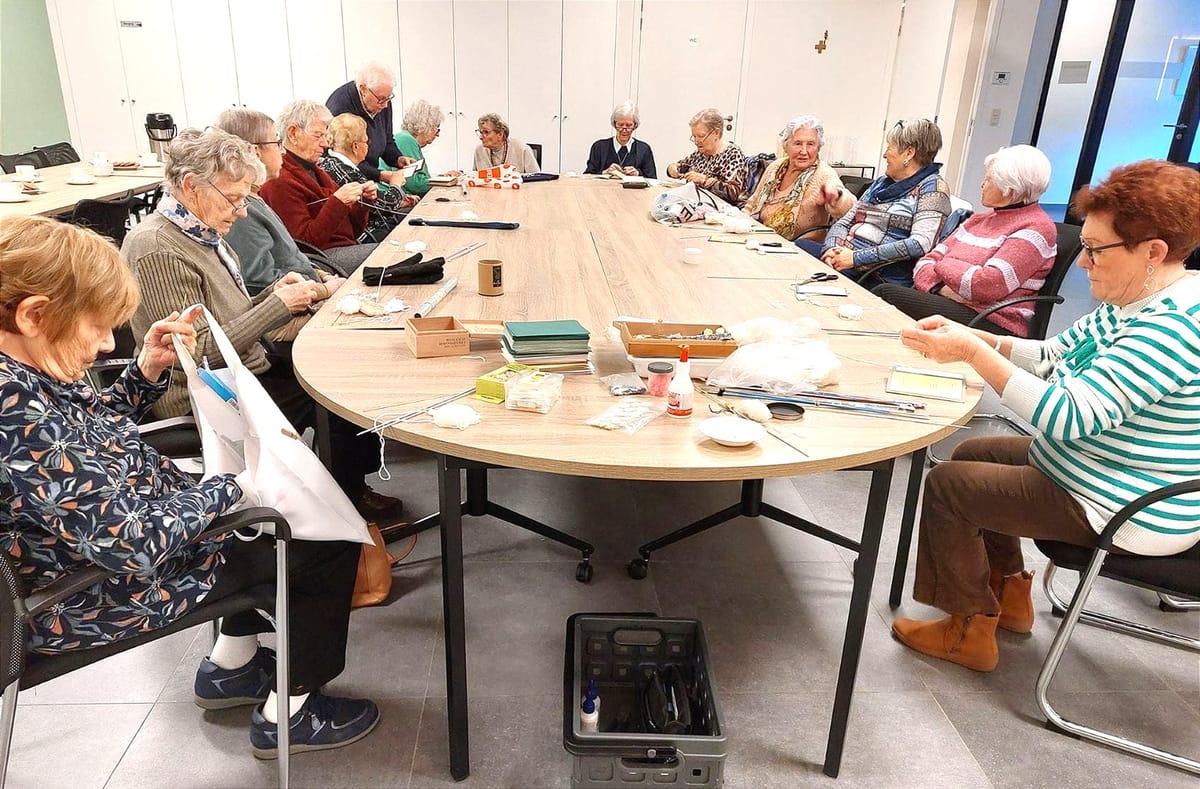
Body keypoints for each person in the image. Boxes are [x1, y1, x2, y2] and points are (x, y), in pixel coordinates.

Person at [0, 215, 380, 758]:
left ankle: (233, 665)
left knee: (262, 521)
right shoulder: (15, 411)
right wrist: (232, 486)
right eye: (97, 329)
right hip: (90, 594)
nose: (108, 346)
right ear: (34, 313)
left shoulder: (22, 375)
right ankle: (291, 713)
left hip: (106, 553)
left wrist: (145, 372)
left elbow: (83, 438)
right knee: (322, 543)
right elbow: (131, 546)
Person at [892, 160, 1200, 673]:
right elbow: (1055, 354)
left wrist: (973, 354)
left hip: (1129, 503)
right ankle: (1009, 596)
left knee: (951, 485)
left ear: (1154, 252)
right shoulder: (1137, 298)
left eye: (1097, 250)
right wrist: (980, 336)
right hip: (1099, 468)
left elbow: (1066, 416)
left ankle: (967, 629)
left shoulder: (1170, 329)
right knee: (974, 451)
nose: (1083, 262)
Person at [121, 127, 402, 525]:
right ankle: (339, 519)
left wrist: (272, 292)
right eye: (233, 199)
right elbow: (191, 355)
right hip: (206, 397)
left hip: (243, 370)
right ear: (190, 186)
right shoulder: (158, 248)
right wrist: (274, 307)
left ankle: (345, 498)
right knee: (337, 395)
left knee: (343, 375)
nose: (240, 211)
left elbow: (221, 317)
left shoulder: (200, 231)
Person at [874, 145, 1057, 337]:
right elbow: (925, 264)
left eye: (988, 180)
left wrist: (945, 265)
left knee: (885, 295)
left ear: (1009, 189)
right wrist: (941, 286)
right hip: (959, 304)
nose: (982, 185)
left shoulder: (1036, 227)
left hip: (991, 320)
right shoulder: (978, 220)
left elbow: (986, 285)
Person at [215, 107, 344, 297]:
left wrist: (320, 274)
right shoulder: (242, 211)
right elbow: (259, 281)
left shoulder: (255, 198)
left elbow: (289, 256)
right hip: (299, 306)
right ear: (254, 151)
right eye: (277, 143)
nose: (282, 151)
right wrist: (322, 290)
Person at [822, 118, 951, 286]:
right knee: (799, 249)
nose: (885, 154)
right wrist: (830, 248)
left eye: (890, 147)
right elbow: (846, 220)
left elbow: (920, 243)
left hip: (875, 274)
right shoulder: (882, 182)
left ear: (909, 153)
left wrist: (856, 258)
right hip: (845, 258)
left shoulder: (934, 189)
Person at [259, 100, 378, 275]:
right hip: (319, 260)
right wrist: (337, 202)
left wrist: (363, 203)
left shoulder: (316, 171)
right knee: (391, 253)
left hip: (342, 250)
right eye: (318, 136)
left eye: (325, 136)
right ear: (293, 133)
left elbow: (353, 231)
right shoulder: (279, 181)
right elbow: (304, 243)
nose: (325, 143)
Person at [742, 115, 855, 246]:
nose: (804, 151)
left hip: (794, 248)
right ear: (786, 146)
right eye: (798, 143)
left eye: (811, 144)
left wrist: (837, 195)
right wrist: (740, 222)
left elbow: (850, 209)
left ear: (818, 147)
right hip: (757, 237)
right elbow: (752, 203)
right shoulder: (775, 167)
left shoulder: (824, 174)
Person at [320, 113, 417, 241]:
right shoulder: (347, 172)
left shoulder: (331, 163)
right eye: (366, 141)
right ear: (355, 146)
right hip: (365, 235)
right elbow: (381, 208)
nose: (368, 146)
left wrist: (401, 200)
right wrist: (396, 185)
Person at [325, 62, 409, 185]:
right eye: (381, 99)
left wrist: (397, 159)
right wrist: (380, 175)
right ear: (363, 89)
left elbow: (387, 139)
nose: (385, 105)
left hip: (370, 180)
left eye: (388, 98)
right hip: (348, 182)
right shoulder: (339, 106)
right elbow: (343, 158)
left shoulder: (382, 99)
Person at [665, 108, 749, 207]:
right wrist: (672, 168)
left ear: (716, 133)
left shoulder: (733, 155)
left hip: (726, 212)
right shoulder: (700, 153)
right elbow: (681, 167)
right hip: (700, 207)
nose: (696, 141)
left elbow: (732, 193)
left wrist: (704, 180)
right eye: (694, 136)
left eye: (701, 136)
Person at [386, 99, 460, 196]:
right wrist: (445, 181)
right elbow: (415, 184)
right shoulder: (406, 140)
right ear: (426, 126)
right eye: (437, 129)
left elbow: (418, 179)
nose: (437, 135)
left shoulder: (406, 139)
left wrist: (442, 177)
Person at [584, 101, 656, 178]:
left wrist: (638, 174)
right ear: (614, 124)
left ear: (635, 125)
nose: (624, 129)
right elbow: (587, 176)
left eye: (629, 125)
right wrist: (604, 172)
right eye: (620, 125)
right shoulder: (598, 147)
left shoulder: (644, 149)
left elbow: (653, 180)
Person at [473, 113, 540, 174]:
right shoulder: (479, 151)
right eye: (481, 132)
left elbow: (537, 180)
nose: (481, 137)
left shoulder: (522, 149)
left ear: (500, 134)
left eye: (486, 132)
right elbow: (475, 178)